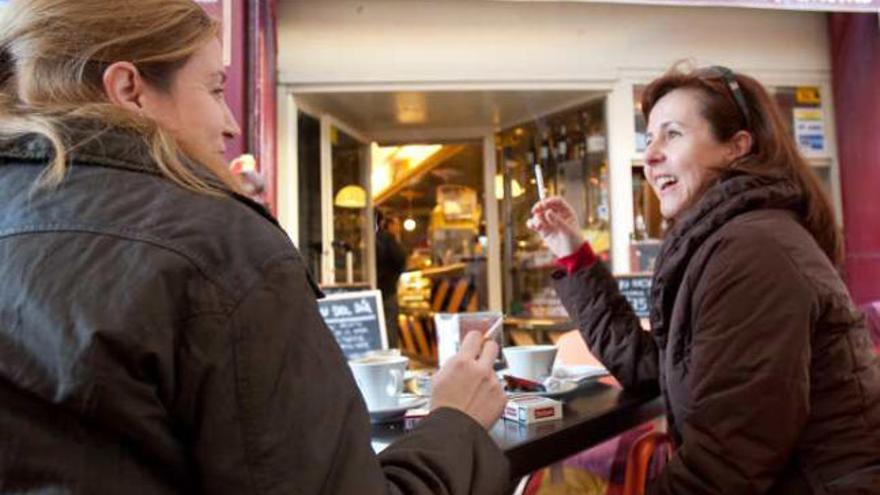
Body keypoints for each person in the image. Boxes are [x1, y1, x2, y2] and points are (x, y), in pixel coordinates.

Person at [0, 1, 508, 493]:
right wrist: (456, 422)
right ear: (130, 89)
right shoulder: (220, 248)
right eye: (215, 89)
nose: (232, 124)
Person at [528, 64, 880, 494]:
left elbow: (728, 461)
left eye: (672, 134)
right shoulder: (719, 244)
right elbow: (652, 368)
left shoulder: (752, 252)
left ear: (736, 147)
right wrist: (574, 255)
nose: (650, 155)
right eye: (649, 138)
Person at [375, 210, 407, 349]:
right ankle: (391, 357)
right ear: (385, 223)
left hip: (374, 289)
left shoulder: (369, 239)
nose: (398, 227)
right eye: (396, 224)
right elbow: (401, 259)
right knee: (390, 328)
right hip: (388, 290)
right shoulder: (387, 238)